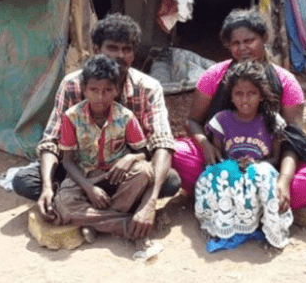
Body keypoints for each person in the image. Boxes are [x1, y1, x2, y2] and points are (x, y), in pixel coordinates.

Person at [12, 13, 181, 240]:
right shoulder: (73, 84)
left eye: (127, 49)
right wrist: (47, 188)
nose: (120, 56)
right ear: (96, 48)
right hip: (81, 170)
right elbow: (52, 141)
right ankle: (120, 220)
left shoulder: (148, 88)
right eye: (113, 48)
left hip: (124, 173)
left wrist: (150, 201)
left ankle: (88, 217)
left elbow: (161, 144)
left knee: (168, 182)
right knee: (26, 182)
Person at [172, 7, 306, 212]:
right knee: (176, 152)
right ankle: (260, 205)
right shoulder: (214, 75)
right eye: (236, 43)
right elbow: (192, 121)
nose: (243, 48)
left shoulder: (286, 83)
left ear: (264, 38)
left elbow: (293, 141)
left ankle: (225, 201)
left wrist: (283, 180)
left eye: (249, 41)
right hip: (221, 162)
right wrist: (206, 146)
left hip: (268, 166)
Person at [52, 54, 152, 240]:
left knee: (144, 172)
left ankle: (93, 222)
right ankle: (124, 224)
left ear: (116, 90)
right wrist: (89, 188)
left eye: (107, 90)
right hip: (85, 176)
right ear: (84, 90)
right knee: (62, 201)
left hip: (116, 177)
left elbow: (143, 152)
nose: (100, 97)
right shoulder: (71, 117)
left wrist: (130, 158)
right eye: (94, 90)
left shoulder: (125, 117)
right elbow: (67, 161)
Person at [194, 60, 293, 249]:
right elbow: (219, 156)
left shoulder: (273, 121)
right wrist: (235, 165)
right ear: (230, 96)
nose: (245, 100)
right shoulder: (221, 120)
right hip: (232, 176)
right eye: (238, 94)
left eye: (252, 94)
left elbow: (274, 159)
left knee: (264, 173)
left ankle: (267, 227)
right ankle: (225, 226)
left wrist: (255, 163)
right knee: (222, 172)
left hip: (257, 175)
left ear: (261, 96)